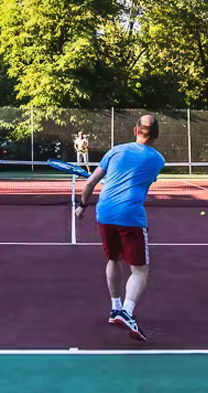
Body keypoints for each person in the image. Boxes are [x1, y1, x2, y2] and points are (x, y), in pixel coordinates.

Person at [75, 114, 164, 342]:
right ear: (156, 136)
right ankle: (127, 311)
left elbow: (89, 183)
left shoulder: (115, 151)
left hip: (104, 212)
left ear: (136, 130)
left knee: (113, 260)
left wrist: (82, 207)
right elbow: (138, 181)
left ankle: (115, 308)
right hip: (130, 216)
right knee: (139, 270)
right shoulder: (157, 161)